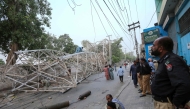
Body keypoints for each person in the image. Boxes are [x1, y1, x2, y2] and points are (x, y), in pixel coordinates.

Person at [151, 37, 190, 109]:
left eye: (154, 45)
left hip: (168, 104)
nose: (152, 47)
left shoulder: (172, 60)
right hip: (162, 103)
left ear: (160, 48)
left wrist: (176, 103)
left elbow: (184, 84)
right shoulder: (164, 60)